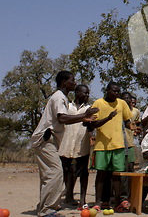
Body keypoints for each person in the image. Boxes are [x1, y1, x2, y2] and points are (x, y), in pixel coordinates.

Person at [31, 71, 98, 217]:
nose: (75, 82)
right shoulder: (59, 97)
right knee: (56, 172)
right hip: (45, 140)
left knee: (48, 175)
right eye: (72, 80)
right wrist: (85, 116)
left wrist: (84, 118)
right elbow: (62, 119)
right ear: (64, 82)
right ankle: (47, 210)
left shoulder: (62, 98)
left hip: (48, 141)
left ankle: (44, 207)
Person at [89, 82, 138, 213]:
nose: (116, 93)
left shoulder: (122, 103)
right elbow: (93, 124)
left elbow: (128, 120)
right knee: (101, 174)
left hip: (118, 145)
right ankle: (98, 202)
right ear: (107, 90)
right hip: (102, 145)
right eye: (114, 91)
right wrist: (108, 118)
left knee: (117, 175)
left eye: (118, 91)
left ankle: (117, 202)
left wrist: (132, 127)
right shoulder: (98, 103)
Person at [58, 84, 93, 210]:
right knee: (66, 171)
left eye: (88, 93)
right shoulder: (67, 105)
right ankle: (68, 195)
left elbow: (90, 125)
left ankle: (82, 199)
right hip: (66, 144)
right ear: (77, 93)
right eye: (85, 93)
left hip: (81, 145)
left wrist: (91, 136)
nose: (87, 95)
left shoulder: (89, 108)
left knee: (83, 172)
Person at [119, 92, 142, 205]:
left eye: (128, 98)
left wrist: (136, 129)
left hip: (131, 143)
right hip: (119, 144)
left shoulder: (135, 112)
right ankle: (120, 196)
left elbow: (137, 125)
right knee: (120, 171)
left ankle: (128, 197)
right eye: (124, 98)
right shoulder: (118, 111)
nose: (126, 100)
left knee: (130, 170)